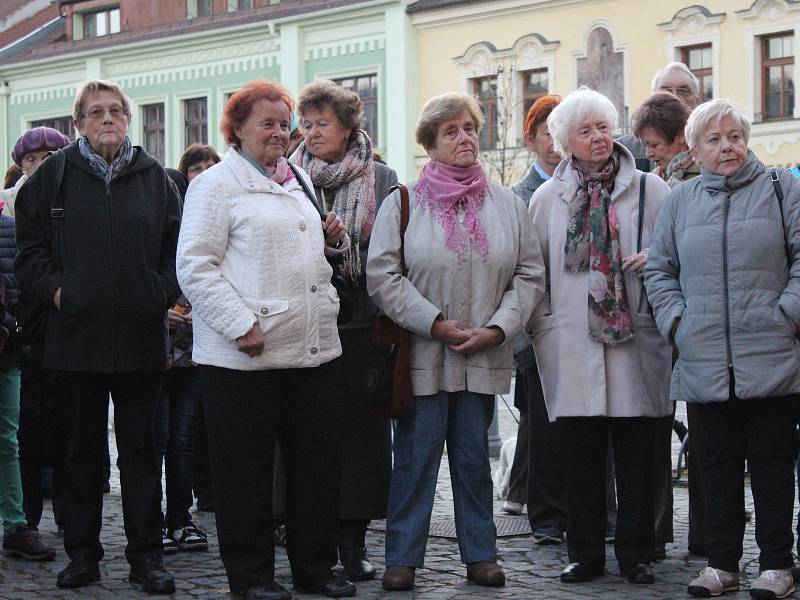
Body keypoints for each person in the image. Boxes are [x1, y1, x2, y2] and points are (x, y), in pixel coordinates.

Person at [176, 79, 355, 600]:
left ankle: (315, 570)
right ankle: (251, 577)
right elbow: (195, 267)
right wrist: (239, 324)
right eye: (267, 124)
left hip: (313, 347)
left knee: (316, 467)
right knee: (245, 474)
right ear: (237, 130)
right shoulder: (214, 185)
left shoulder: (295, 175)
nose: (280, 132)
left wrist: (328, 239)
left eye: (285, 123)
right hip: (243, 356)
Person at [367, 92, 544, 592]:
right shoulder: (401, 202)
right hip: (422, 356)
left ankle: (481, 554)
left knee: (473, 462)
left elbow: (530, 275)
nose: (464, 138)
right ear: (430, 144)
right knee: (415, 460)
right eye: (451, 131)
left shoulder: (508, 203)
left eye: (469, 127)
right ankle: (402, 557)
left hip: (482, 356)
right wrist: (435, 322)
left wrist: (498, 328)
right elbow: (383, 275)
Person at [14, 79, 181, 594]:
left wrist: (156, 293)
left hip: (139, 338)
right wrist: (60, 293)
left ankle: (146, 558)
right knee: (79, 454)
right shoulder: (53, 178)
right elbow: (30, 252)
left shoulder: (156, 178)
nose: (108, 118)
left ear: (127, 119)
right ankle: (82, 554)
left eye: (116, 111)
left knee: (141, 451)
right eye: (96, 112)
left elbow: (178, 251)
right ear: (79, 124)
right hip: (74, 339)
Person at [646, 99, 800, 599]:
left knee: (773, 464)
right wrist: (678, 323)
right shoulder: (681, 200)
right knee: (715, 464)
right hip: (705, 354)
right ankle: (721, 563)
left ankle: (777, 563)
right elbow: (660, 270)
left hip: (772, 352)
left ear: (746, 139)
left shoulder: (783, 189)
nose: (726, 146)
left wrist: (788, 314)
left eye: (734, 135)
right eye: (713, 139)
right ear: (693, 150)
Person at [528, 88, 672, 585]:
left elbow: (675, 253)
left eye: (605, 128)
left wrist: (652, 259)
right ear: (565, 141)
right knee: (580, 455)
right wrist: (542, 324)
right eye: (586, 131)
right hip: (572, 341)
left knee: (636, 453)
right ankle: (584, 551)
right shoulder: (548, 198)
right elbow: (535, 272)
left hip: (634, 338)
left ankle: (636, 552)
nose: (598, 139)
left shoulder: (651, 189)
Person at [290, 79, 396, 582]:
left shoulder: (382, 177)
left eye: (322, 124)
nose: (311, 133)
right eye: (306, 124)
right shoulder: (290, 177)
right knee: (312, 435)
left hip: (362, 322)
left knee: (362, 439)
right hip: (307, 321)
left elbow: (395, 253)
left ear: (350, 127)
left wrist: (347, 245)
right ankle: (311, 535)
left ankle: (353, 542)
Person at [632, 90, 697, 560]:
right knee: (655, 424)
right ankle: (655, 532)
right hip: (662, 314)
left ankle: (704, 531)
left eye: (655, 143)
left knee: (703, 430)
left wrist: (656, 255)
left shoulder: (698, 176)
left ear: (679, 139)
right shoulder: (658, 177)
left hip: (693, 316)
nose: (648, 152)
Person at [618, 62, 701, 167]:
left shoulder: (709, 148)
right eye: (666, 90)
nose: (674, 96)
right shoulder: (625, 151)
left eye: (683, 90)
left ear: (697, 101)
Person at [0, 128, 71, 218]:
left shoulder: (80, 197)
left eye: (48, 158)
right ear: (21, 166)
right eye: (31, 159)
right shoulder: (5, 202)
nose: (39, 166)